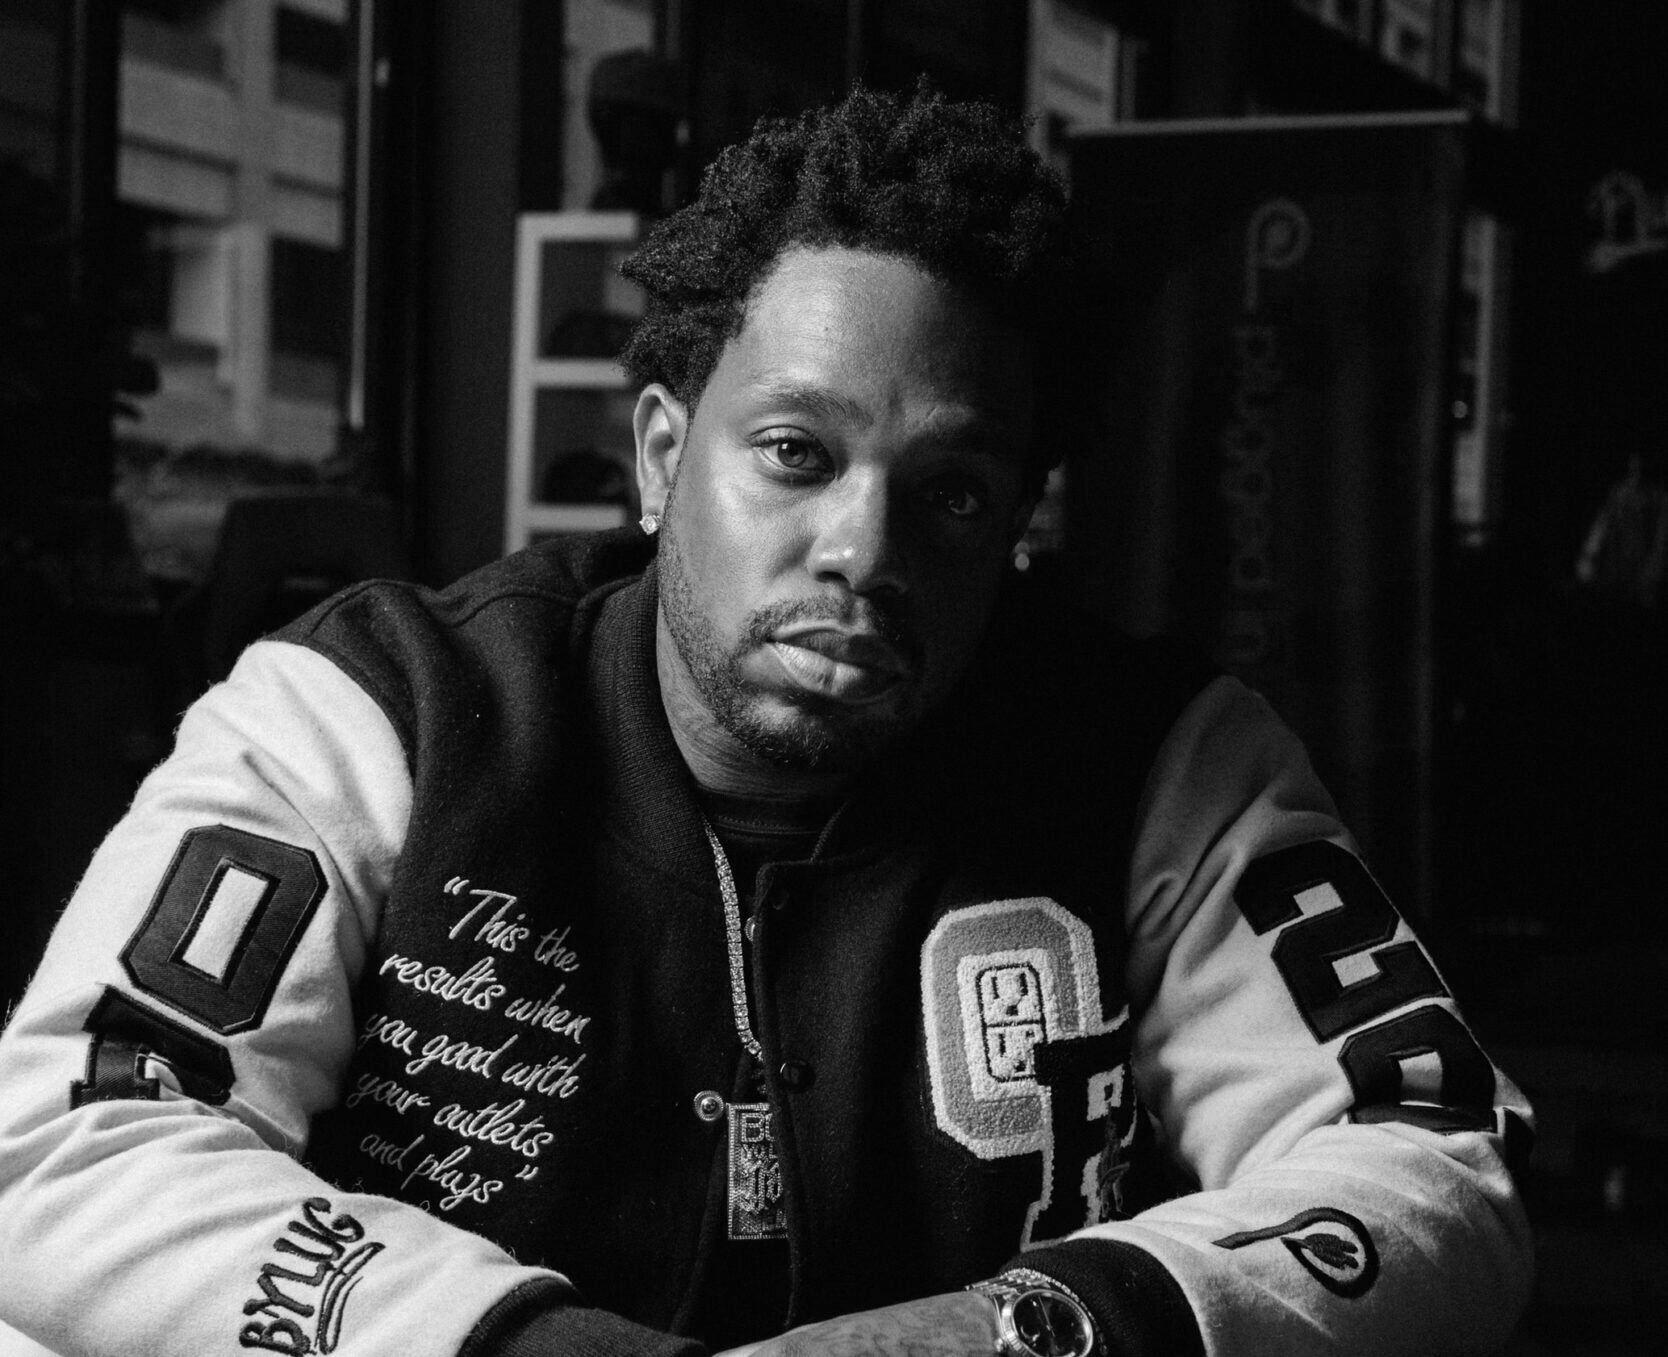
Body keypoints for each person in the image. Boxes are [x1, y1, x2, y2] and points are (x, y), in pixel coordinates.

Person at [0, 83, 1532, 1357]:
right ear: (665, 457)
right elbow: (72, 1153)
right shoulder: (377, 709)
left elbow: (1435, 1165)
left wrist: (1016, 1334)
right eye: (796, 453)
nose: (865, 551)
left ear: (1016, 524)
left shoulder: (1166, 763)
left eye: (950, 494)